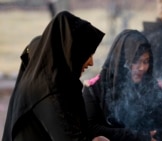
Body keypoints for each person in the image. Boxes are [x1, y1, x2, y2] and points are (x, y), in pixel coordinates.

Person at [2, 11, 104, 141]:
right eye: (87, 53)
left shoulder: (56, 83)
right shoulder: (47, 91)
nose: (91, 62)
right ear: (71, 51)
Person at [82, 29, 162, 141]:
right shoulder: (94, 89)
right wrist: (138, 137)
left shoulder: (154, 89)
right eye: (136, 61)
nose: (142, 67)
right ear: (121, 61)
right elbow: (91, 128)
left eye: (146, 61)